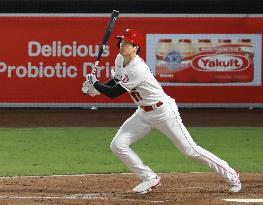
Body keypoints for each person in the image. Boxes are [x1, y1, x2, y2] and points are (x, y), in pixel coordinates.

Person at [82, 28, 241, 194]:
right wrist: (95, 89)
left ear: (136, 47)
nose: (123, 44)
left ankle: (231, 174)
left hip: (163, 112)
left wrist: (96, 83)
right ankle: (149, 178)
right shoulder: (120, 59)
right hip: (143, 113)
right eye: (122, 41)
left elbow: (114, 93)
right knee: (118, 145)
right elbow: (115, 80)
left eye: (127, 42)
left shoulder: (138, 68)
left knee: (190, 150)